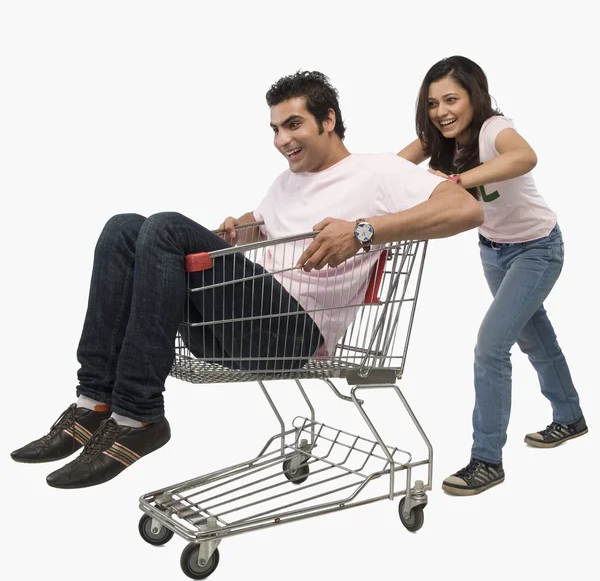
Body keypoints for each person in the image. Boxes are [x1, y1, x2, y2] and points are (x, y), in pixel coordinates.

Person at [11, 70, 482, 489]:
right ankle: (94, 401)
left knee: (165, 225)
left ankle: (136, 416)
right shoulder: (285, 182)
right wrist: (233, 232)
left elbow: (466, 207)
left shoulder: (378, 170)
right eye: (275, 129)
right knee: (124, 228)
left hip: (293, 334)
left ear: (329, 119)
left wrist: (363, 231)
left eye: (293, 125)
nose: (282, 139)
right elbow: (264, 238)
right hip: (239, 328)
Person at [398, 56, 587, 496]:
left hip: (537, 250)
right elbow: (390, 170)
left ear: (474, 96)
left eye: (451, 99)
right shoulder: (437, 140)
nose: (442, 111)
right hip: (493, 252)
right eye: (432, 103)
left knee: (490, 347)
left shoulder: (492, 128)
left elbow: (525, 156)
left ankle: (487, 460)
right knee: (534, 337)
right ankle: (570, 417)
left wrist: (458, 181)